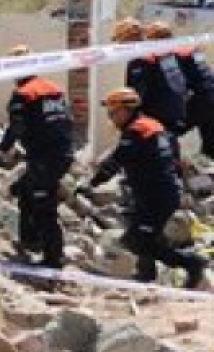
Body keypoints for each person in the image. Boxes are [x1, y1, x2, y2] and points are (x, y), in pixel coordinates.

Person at [84, 87, 206, 289]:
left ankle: (191, 263)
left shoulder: (136, 132)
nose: (111, 118)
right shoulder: (152, 125)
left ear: (125, 110)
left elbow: (115, 162)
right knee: (142, 233)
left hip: (156, 196)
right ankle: (145, 274)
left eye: (113, 112)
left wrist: (91, 184)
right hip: (156, 192)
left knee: (137, 240)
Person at [0, 46, 74, 269]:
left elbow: (16, 128)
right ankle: (30, 241)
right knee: (24, 190)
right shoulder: (54, 89)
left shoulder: (24, 94)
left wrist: (1, 152)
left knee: (43, 205)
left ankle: (53, 259)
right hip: (62, 153)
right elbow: (67, 121)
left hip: (44, 157)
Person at [148, 19, 214, 157]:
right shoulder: (187, 49)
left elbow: (178, 86)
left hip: (203, 101)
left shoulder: (169, 55)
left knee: (168, 132)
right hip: (209, 96)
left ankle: (170, 169)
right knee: (210, 147)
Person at [115, 18, 188, 134]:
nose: (118, 45)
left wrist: (125, 120)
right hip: (175, 113)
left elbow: (136, 97)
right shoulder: (159, 51)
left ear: (130, 38)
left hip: (158, 117)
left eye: (120, 40)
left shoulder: (140, 59)